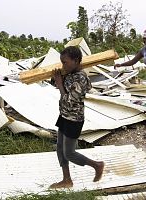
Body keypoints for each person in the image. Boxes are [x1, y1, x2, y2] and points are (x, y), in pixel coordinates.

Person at [49, 46, 104, 189]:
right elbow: (61, 87)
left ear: (76, 60)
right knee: (60, 149)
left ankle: (97, 165)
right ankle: (67, 180)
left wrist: (60, 84)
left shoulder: (81, 78)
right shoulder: (69, 73)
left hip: (74, 119)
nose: (63, 65)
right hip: (64, 115)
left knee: (70, 153)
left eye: (65, 62)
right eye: (62, 62)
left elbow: (68, 100)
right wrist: (56, 80)